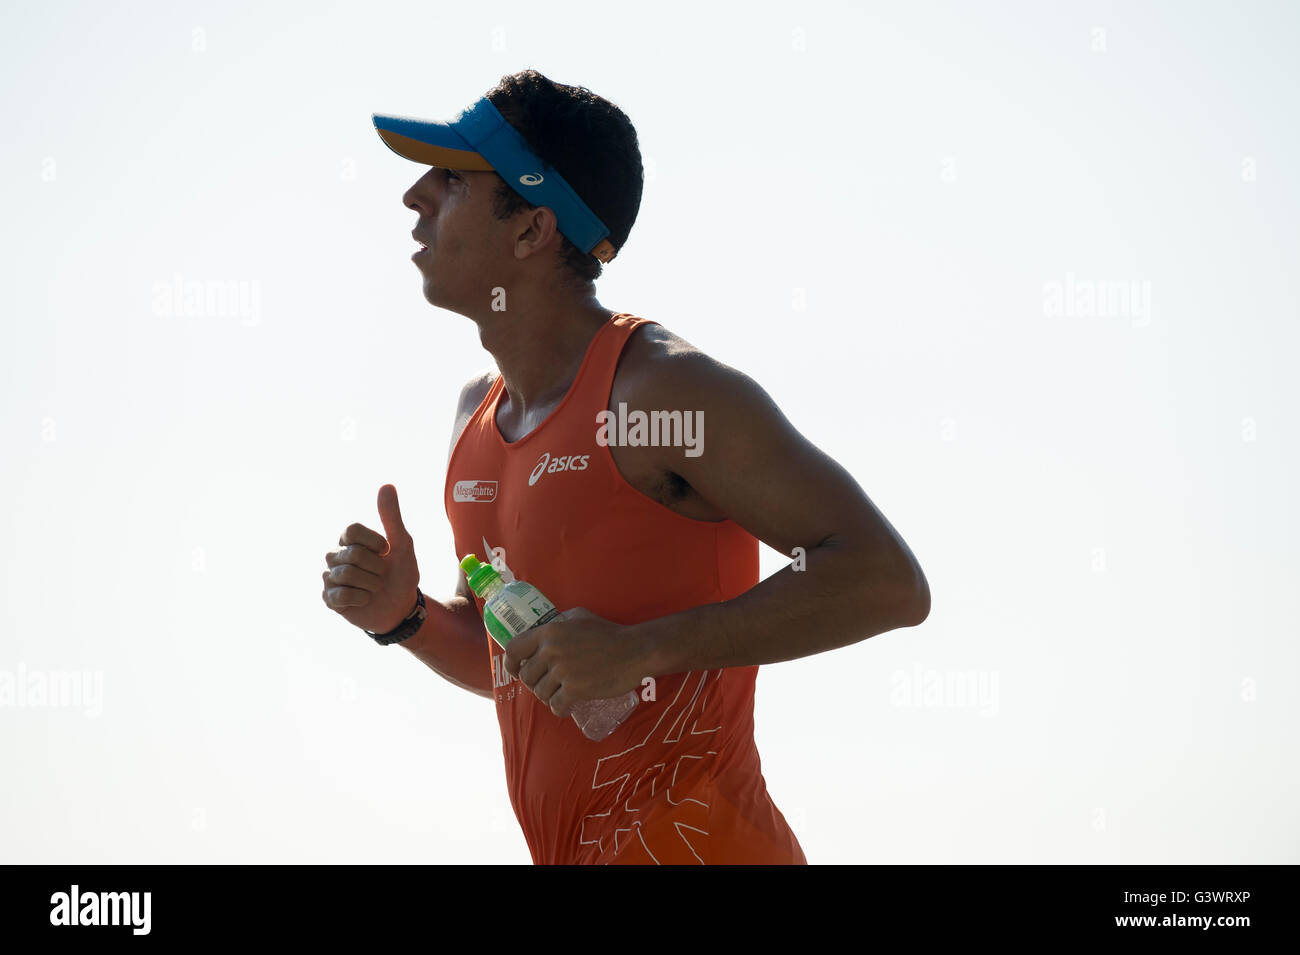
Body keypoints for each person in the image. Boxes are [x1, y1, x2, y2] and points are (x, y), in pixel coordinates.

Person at [322, 69, 930, 864]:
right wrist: (405, 618)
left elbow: (887, 580)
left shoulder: (662, 391)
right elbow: (533, 668)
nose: (415, 197)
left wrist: (641, 649)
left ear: (533, 229)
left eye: (451, 180)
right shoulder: (474, 419)